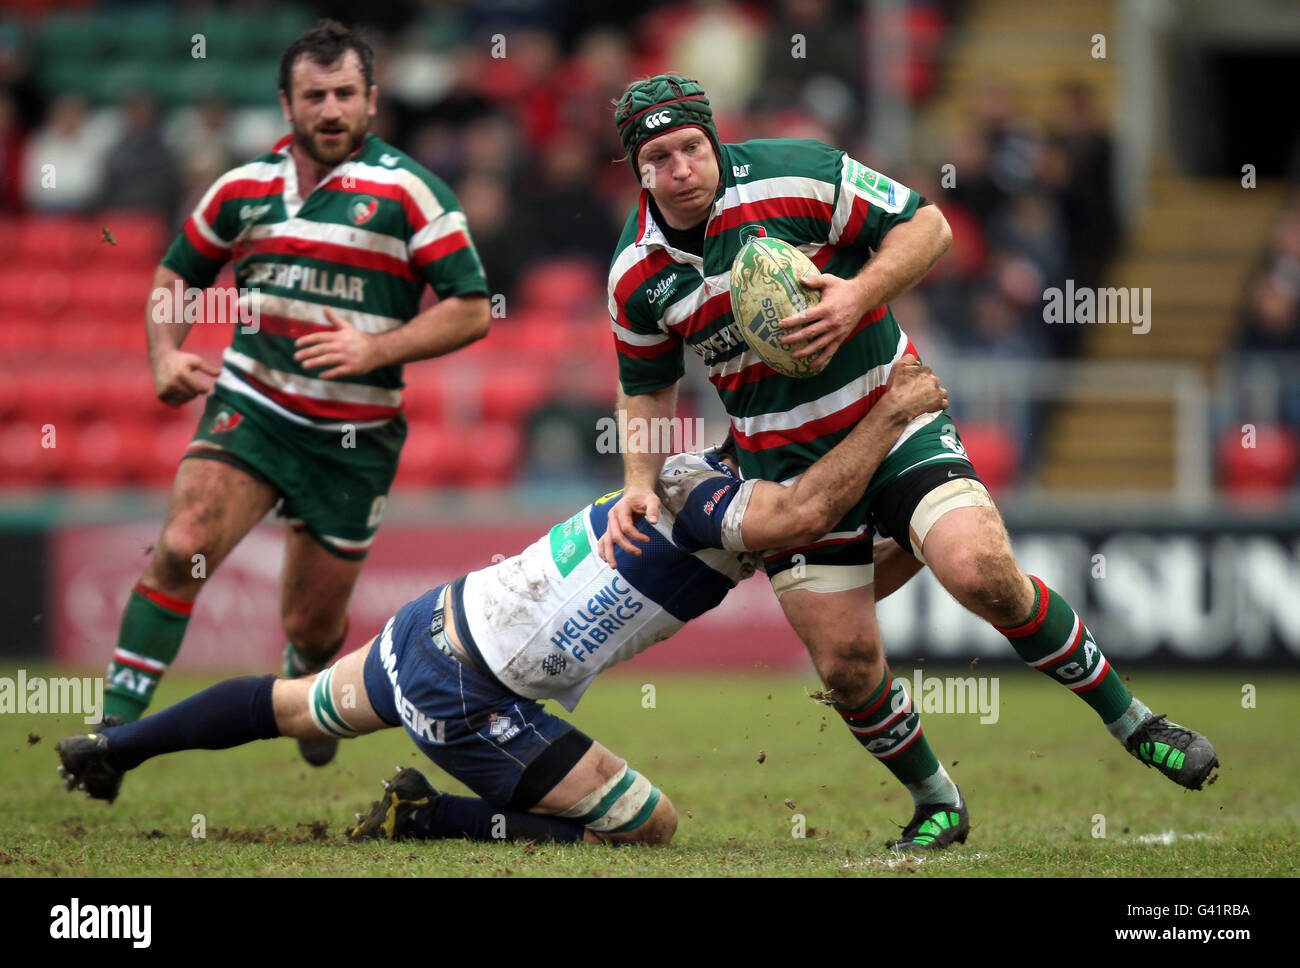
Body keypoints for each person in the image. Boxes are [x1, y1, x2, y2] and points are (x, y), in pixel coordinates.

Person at [598, 75, 1218, 849]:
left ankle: (1136, 722)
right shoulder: (634, 273)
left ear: (713, 139)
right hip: (787, 472)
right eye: (660, 156)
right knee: (849, 666)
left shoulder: (796, 171)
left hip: (894, 417)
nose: (683, 166)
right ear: (638, 171)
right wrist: (633, 483)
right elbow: (645, 387)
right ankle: (939, 804)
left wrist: (856, 296)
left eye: (693, 146)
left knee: (984, 574)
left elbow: (929, 227)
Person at [56, 362, 949, 849]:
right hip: (472, 693)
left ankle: (114, 748)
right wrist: (892, 417)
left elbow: (846, 593)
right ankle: (428, 815)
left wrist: (920, 542)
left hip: (434, 630)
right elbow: (809, 510)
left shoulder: (724, 499)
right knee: (649, 827)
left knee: (293, 706)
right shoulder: (705, 491)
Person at [101, 20, 491, 774]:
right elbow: (177, 275)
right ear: (287, 103)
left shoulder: (410, 192)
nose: (332, 109)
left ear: (372, 100)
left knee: (312, 624)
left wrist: (374, 348)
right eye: (315, 96)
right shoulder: (241, 188)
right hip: (254, 406)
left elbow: (472, 307)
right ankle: (110, 738)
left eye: (347, 93)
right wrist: (164, 353)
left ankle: (305, 680)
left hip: (354, 436)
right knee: (183, 547)